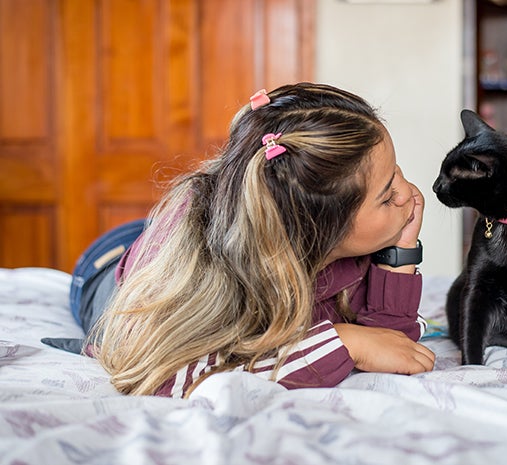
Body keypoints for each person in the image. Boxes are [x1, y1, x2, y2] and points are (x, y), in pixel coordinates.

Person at [44, 83, 435, 398]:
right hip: (115, 267)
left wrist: (397, 257)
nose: (408, 192)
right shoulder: (206, 281)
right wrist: (344, 341)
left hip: (221, 223)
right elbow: (168, 377)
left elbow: (391, 347)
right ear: (320, 230)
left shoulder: (336, 246)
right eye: (387, 194)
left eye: (397, 172)